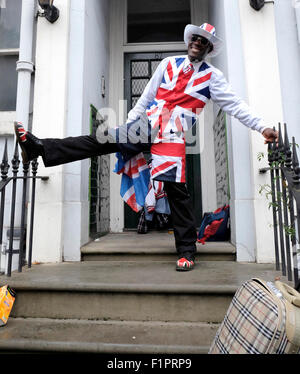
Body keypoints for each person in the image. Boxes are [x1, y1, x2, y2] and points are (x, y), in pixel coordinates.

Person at [14, 22, 278, 272]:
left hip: (172, 136)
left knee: (177, 192)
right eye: (195, 38)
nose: (197, 42)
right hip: (147, 125)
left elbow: (235, 106)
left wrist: (262, 127)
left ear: (209, 48)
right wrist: (128, 127)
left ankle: (186, 251)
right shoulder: (168, 64)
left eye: (203, 41)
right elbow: (147, 97)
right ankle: (39, 148)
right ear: (189, 41)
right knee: (100, 139)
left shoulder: (213, 77)